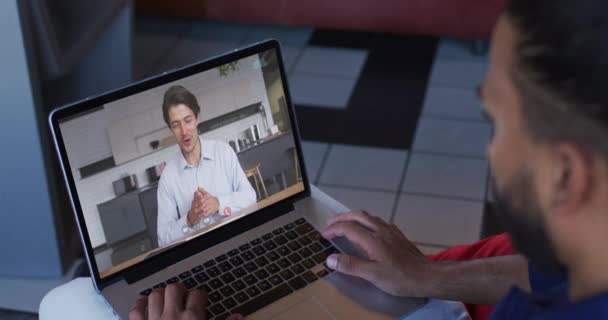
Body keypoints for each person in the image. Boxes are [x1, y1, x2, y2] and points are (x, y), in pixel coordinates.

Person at [133, 0, 608, 318]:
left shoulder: (223, 153)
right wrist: (429, 274)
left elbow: (244, 197)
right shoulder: (586, 257)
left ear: (566, 176)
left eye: (497, 122)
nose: (490, 150)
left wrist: (218, 208)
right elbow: (164, 240)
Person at [156, 85, 257, 246]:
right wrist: (189, 220)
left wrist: (219, 203)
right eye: (176, 125)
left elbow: (251, 197)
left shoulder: (223, 152)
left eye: (188, 120)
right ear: (170, 129)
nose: (184, 131)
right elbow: (163, 239)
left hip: (238, 239)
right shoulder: (168, 178)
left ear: (197, 118)